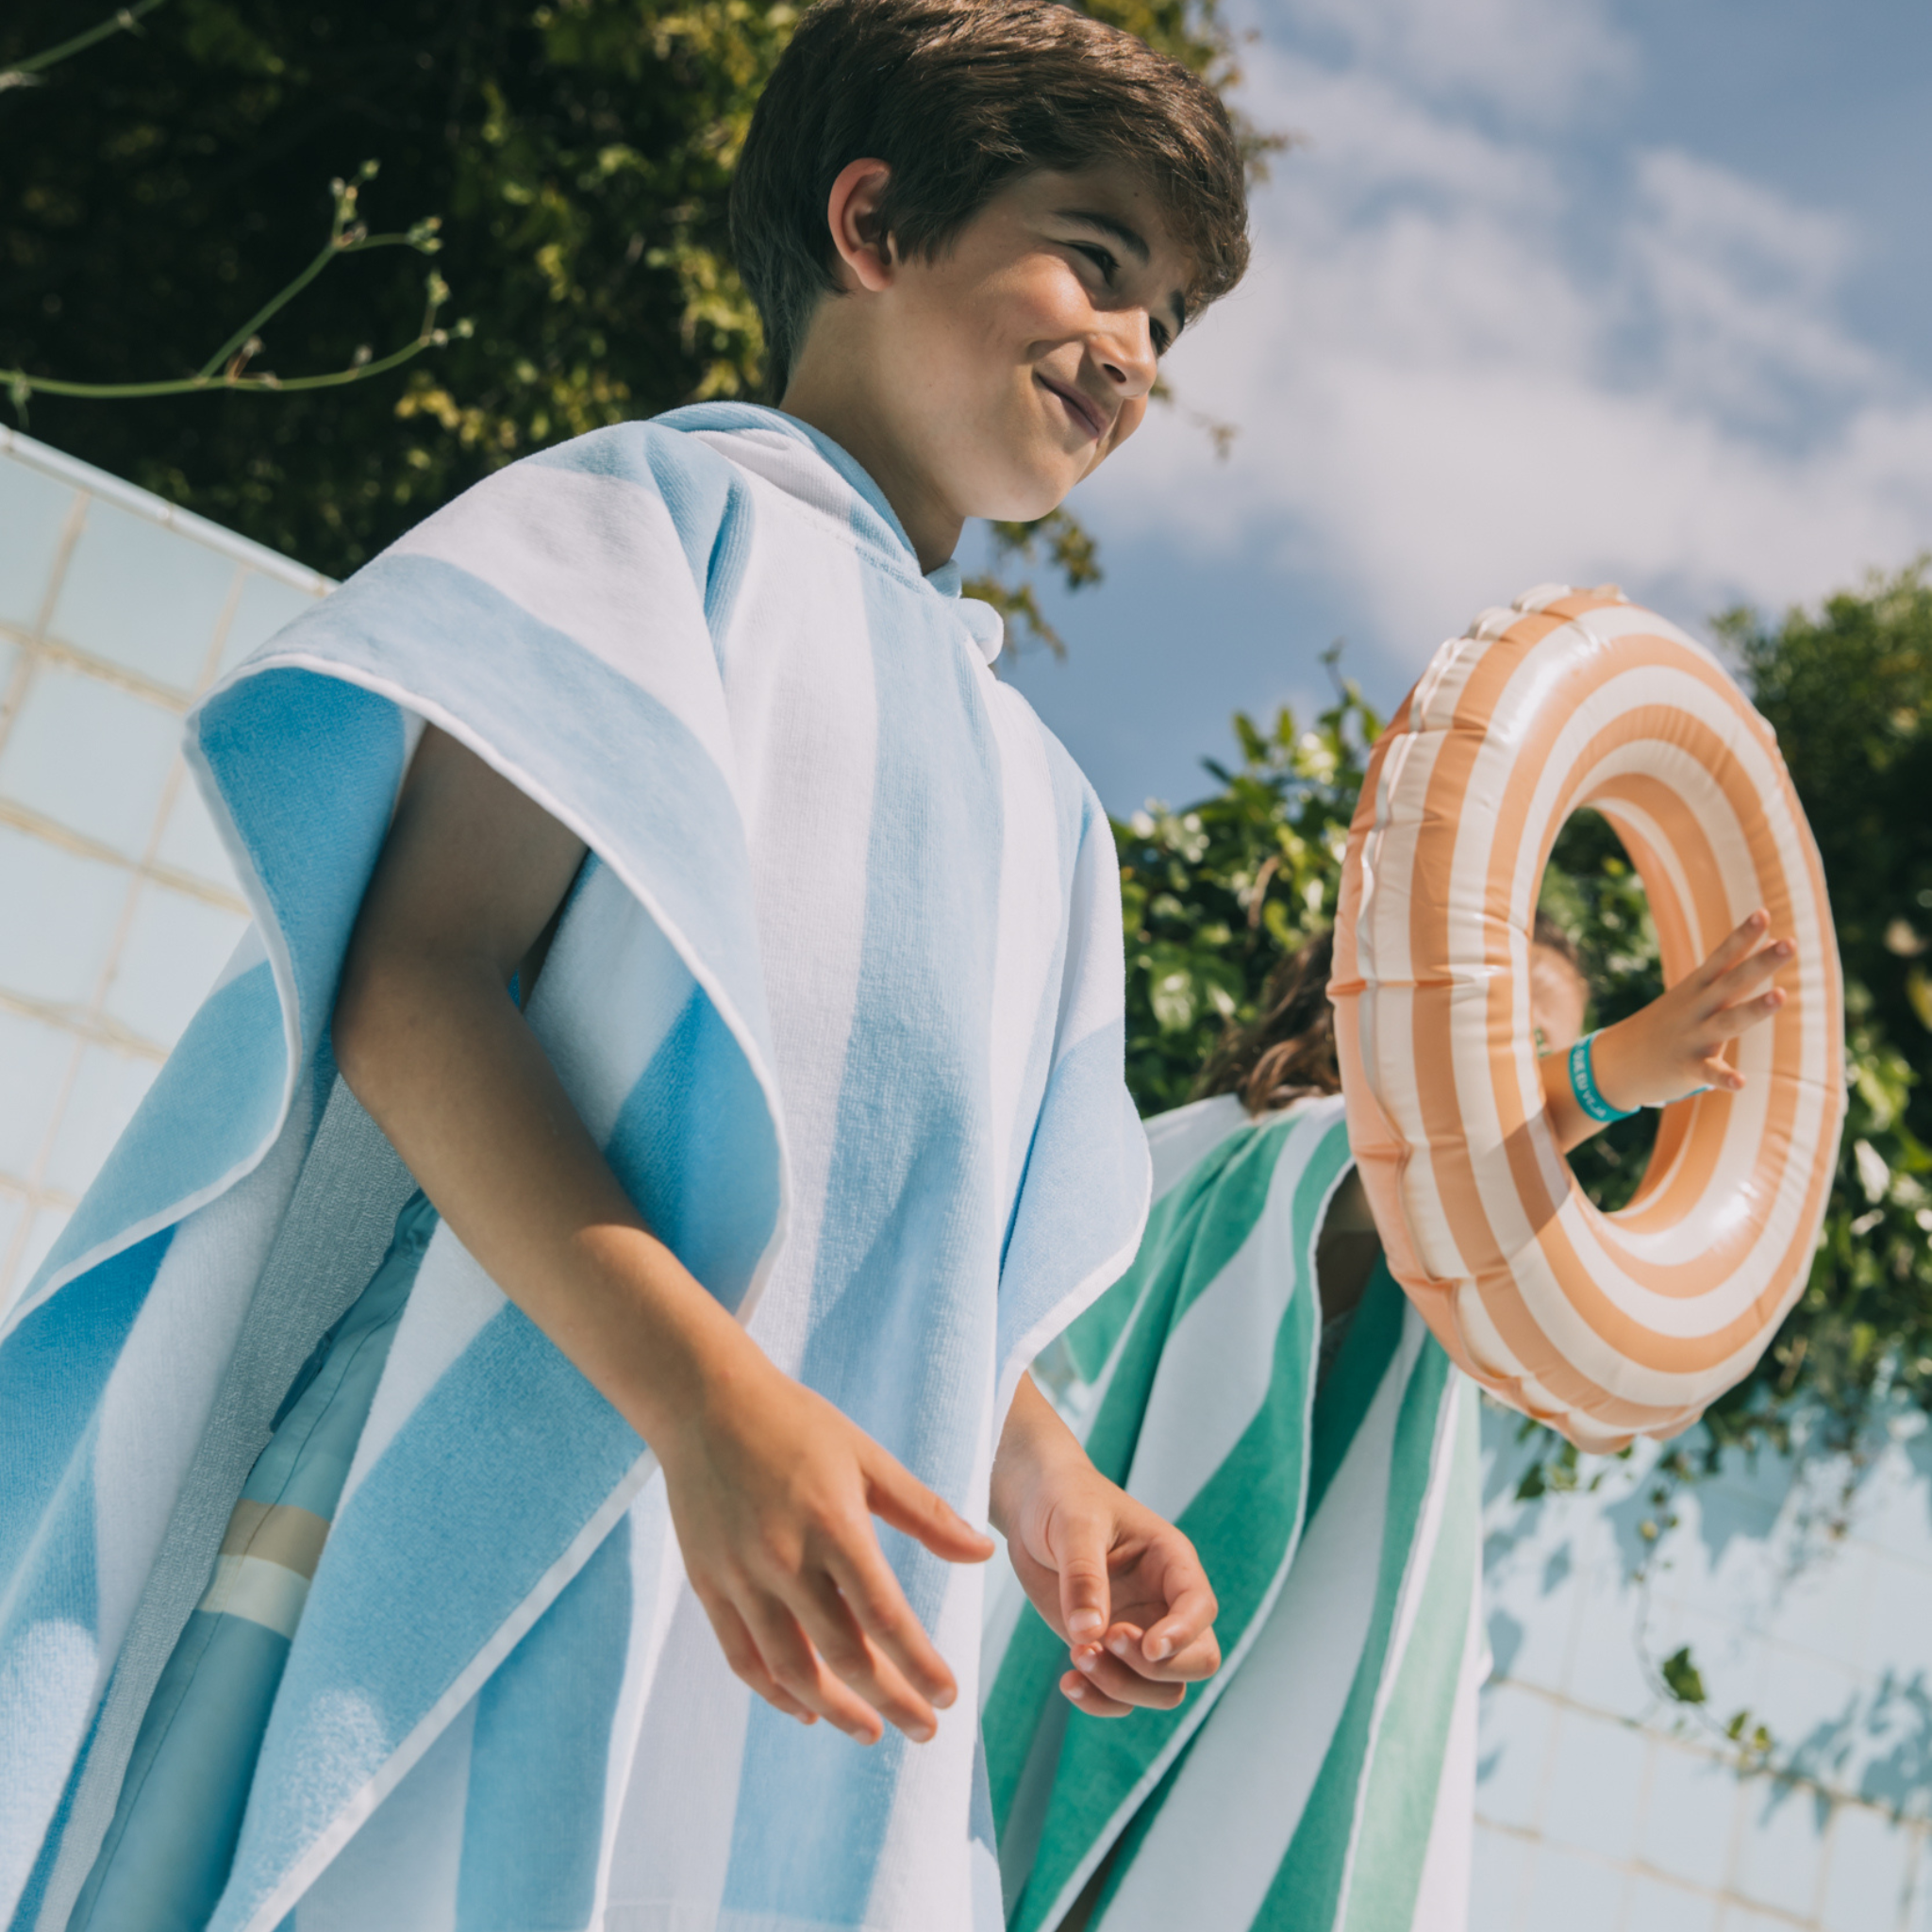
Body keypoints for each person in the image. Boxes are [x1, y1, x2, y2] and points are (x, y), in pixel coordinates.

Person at [0, 6, 1250, 1928]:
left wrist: (1046, 1485)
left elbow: (897, 1231)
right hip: (467, 1506)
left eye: (1167, 318)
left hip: (773, 1624)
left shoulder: (1041, 799)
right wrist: (704, 1406)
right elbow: (418, 979)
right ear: (870, 221)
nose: (1136, 357)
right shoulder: (652, 534)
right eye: (1099, 260)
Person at [983, 907, 1792, 1932]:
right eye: (1516, 1042)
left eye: (1554, 1049)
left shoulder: (1469, 1293)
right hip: (1123, 1624)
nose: (1537, 1073)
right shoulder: (1253, 1155)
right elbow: (1397, 1166)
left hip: (1272, 1678)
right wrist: (1603, 1076)